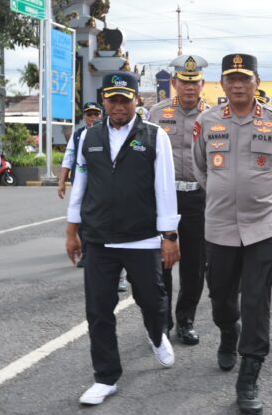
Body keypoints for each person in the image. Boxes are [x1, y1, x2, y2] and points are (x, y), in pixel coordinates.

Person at [192, 53, 272, 415]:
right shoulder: (207, 122)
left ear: (256, 82)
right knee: (221, 296)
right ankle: (226, 331)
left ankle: (249, 375)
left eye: (245, 78)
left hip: (263, 225)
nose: (238, 85)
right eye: (231, 79)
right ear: (222, 84)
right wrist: (223, 194)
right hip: (219, 225)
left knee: (257, 302)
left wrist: (265, 196)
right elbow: (200, 167)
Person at [65, 73, 180, 406]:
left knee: (153, 301)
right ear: (104, 101)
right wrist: (72, 231)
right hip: (99, 238)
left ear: (135, 101)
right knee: (98, 310)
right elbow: (81, 185)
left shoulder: (155, 137)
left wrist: (169, 235)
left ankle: (157, 335)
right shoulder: (87, 136)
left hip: (142, 237)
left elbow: (164, 188)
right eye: (112, 99)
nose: (118, 106)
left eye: (124, 99)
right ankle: (105, 376)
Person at [149, 54, 210, 346]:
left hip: (199, 197)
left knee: (194, 265)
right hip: (165, 197)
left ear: (203, 84)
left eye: (194, 82)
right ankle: (162, 322)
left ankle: (186, 321)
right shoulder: (157, 114)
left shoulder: (212, 116)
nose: (189, 88)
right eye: (184, 82)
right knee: (163, 261)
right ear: (174, 83)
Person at [58, 102, 103, 267]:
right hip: (82, 182)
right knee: (82, 218)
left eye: (96, 114)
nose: (92, 117)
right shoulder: (77, 135)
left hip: (101, 184)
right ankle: (86, 253)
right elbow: (68, 158)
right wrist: (62, 181)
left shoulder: (107, 132)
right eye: (89, 114)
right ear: (84, 117)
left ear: (101, 115)